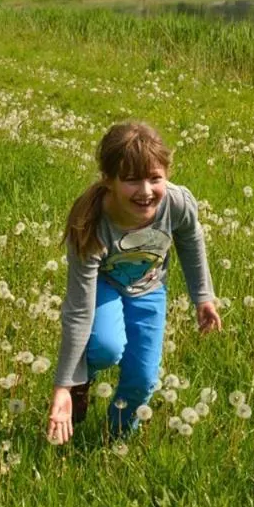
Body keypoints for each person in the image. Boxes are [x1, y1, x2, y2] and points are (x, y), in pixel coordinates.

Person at [46, 121, 222, 444]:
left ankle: (116, 437)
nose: (145, 191)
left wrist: (203, 296)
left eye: (155, 178)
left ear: (167, 173)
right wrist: (63, 384)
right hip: (105, 285)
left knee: (143, 380)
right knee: (106, 347)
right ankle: (81, 379)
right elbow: (78, 312)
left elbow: (191, 239)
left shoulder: (176, 203)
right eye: (131, 180)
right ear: (109, 181)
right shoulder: (91, 225)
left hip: (150, 289)